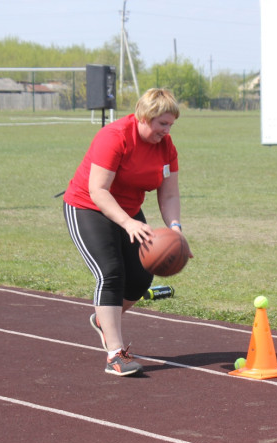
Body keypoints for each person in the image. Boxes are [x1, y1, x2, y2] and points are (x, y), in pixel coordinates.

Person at [63, 88, 190, 377]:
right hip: (88, 206)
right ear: (145, 117)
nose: (167, 131)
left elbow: (169, 194)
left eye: (171, 125)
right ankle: (115, 355)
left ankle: (103, 319)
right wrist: (128, 223)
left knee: (141, 277)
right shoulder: (115, 136)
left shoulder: (166, 147)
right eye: (163, 124)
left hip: (129, 210)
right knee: (111, 273)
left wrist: (176, 230)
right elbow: (98, 190)